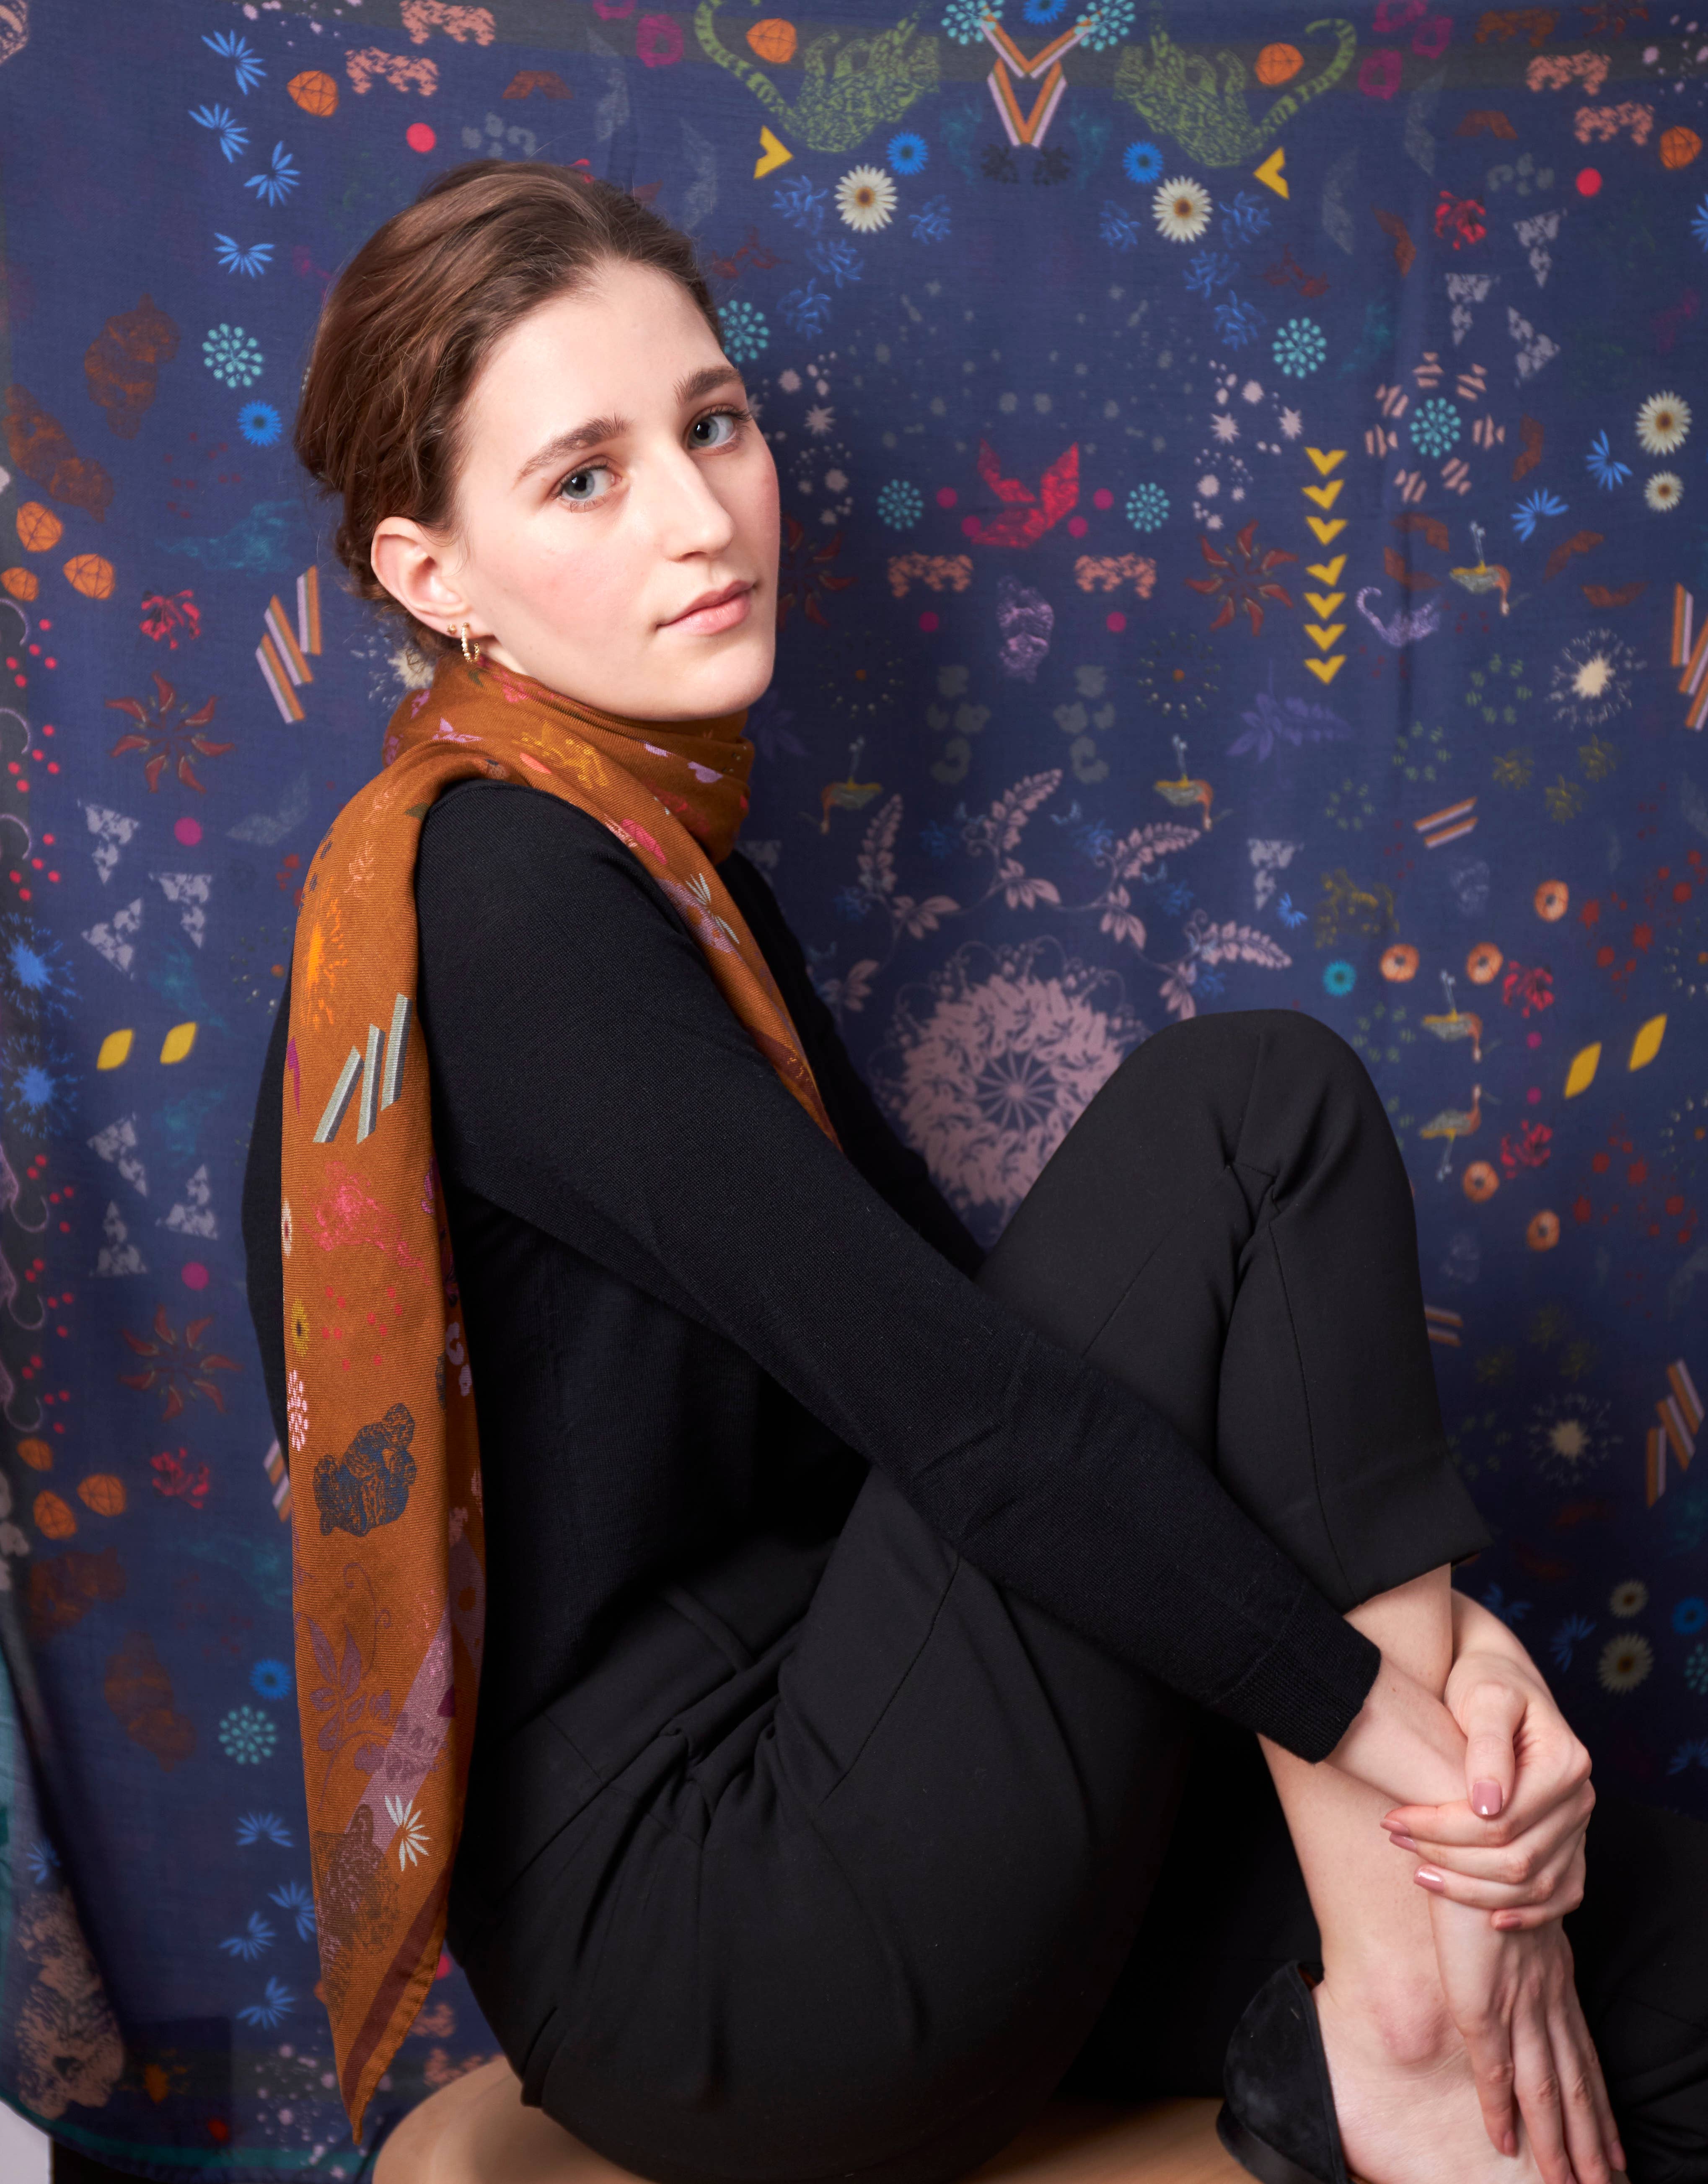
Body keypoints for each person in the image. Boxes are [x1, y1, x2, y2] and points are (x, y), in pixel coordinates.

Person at [241, 161, 1706, 2184]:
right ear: (433, 576)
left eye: (711, 425)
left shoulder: (672, 877)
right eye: (583, 477)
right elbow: (966, 1414)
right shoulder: (502, 901)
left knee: (1667, 1960)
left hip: (911, 1763)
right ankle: (1398, 2036)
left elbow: (1012, 1365)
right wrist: (1391, 1730)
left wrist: (1453, 1671)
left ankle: (1350, 2062)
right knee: (1250, 1109)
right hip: (725, 1930)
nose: (699, 516)